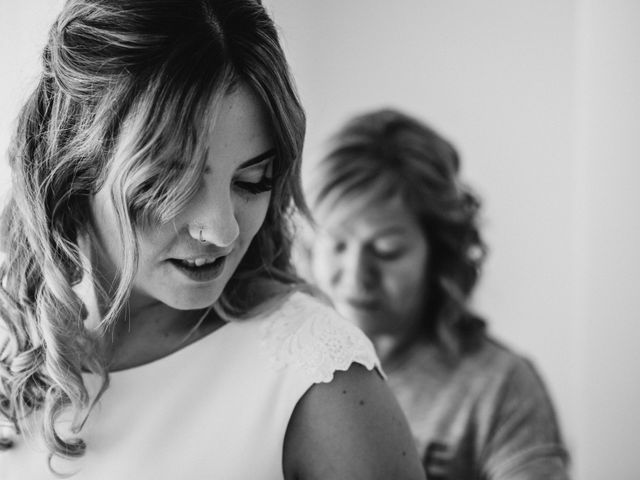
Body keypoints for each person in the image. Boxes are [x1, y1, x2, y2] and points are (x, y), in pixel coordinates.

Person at [0, 2, 426, 479]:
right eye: (169, 185)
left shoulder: (319, 381)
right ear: (72, 169)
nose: (223, 231)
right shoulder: (11, 333)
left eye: (252, 181)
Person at [307, 108, 570, 479]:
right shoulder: (287, 367)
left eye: (386, 249)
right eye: (336, 244)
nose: (355, 275)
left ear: (438, 253)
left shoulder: (498, 385)